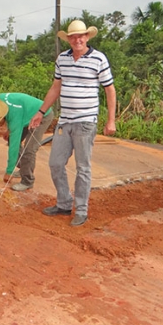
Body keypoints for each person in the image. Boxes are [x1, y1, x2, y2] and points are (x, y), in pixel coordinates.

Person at [29, 20, 116, 227]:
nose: (77, 40)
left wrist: (111, 120)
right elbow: (56, 87)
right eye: (73, 37)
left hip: (86, 122)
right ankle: (64, 203)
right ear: (68, 39)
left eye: (81, 36)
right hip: (65, 121)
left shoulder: (98, 59)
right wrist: (41, 112)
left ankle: (81, 210)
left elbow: (109, 90)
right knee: (55, 163)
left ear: (87, 37)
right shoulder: (63, 59)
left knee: (83, 167)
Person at [0, 93, 54, 191]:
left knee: (29, 149)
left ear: (1, 118)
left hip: (43, 115)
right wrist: (9, 130)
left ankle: (27, 181)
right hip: (26, 114)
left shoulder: (14, 116)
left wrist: (9, 171)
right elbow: (13, 114)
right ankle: (23, 168)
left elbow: (14, 147)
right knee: (11, 138)